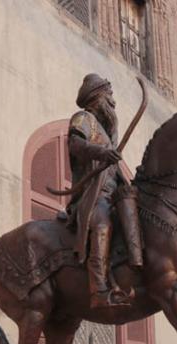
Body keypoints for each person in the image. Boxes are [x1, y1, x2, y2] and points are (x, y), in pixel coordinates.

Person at [66, 74, 129, 309]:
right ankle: (99, 291)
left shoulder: (108, 132)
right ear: (97, 97)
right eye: (109, 96)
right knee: (102, 224)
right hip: (94, 195)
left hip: (115, 194)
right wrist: (102, 153)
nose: (113, 102)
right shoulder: (84, 118)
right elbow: (75, 144)